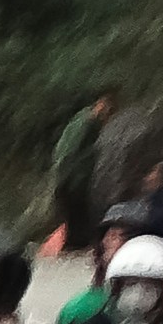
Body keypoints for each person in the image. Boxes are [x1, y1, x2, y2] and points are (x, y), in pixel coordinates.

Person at [47, 89, 119, 259]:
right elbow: (67, 152)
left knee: (79, 215)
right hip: (72, 179)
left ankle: (76, 248)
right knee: (76, 215)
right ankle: (73, 249)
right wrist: (63, 179)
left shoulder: (86, 122)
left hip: (76, 179)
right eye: (109, 108)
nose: (110, 115)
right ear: (101, 103)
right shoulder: (85, 123)